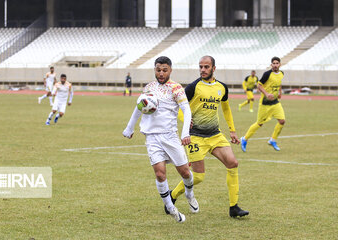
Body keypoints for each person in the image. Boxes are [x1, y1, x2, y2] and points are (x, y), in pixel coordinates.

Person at [171, 56, 249, 218]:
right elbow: (179, 108)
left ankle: (233, 207)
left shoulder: (222, 87)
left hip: (215, 135)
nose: (203, 70)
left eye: (206, 67)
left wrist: (232, 131)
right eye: (201, 67)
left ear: (214, 68)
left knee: (233, 163)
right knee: (199, 176)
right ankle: (172, 195)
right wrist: (185, 120)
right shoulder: (193, 87)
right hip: (196, 137)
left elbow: (226, 109)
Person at [122, 56, 199, 223]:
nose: (161, 73)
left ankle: (189, 194)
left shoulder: (176, 88)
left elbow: (186, 111)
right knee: (159, 174)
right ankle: (171, 208)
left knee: (185, 172)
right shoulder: (149, 88)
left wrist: (185, 133)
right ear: (154, 70)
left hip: (170, 136)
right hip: (152, 137)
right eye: (158, 70)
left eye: (165, 70)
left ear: (170, 70)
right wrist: (129, 128)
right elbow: (139, 107)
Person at [240, 57, 285, 152]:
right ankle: (244, 139)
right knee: (259, 124)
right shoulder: (267, 74)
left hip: (275, 102)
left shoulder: (281, 73)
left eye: (277, 63)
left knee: (282, 121)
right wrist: (266, 94)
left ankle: (273, 140)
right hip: (265, 103)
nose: (275, 65)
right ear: (271, 65)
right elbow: (259, 85)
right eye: (274, 63)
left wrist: (280, 92)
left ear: (280, 64)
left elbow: (279, 83)